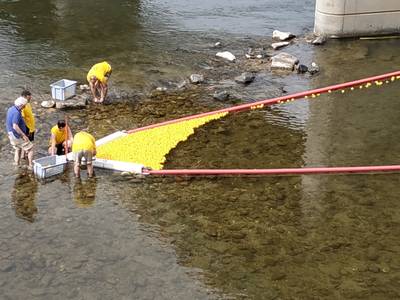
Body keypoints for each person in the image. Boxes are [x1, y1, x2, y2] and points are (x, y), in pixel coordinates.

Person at [6, 97, 34, 169]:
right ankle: (30, 165)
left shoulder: (10, 109)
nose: (24, 107)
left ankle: (16, 164)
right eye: (24, 105)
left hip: (10, 133)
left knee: (17, 149)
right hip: (17, 135)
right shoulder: (17, 113)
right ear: (21, 105)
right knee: (30, 148)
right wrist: (23, 135)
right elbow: (15, 126)